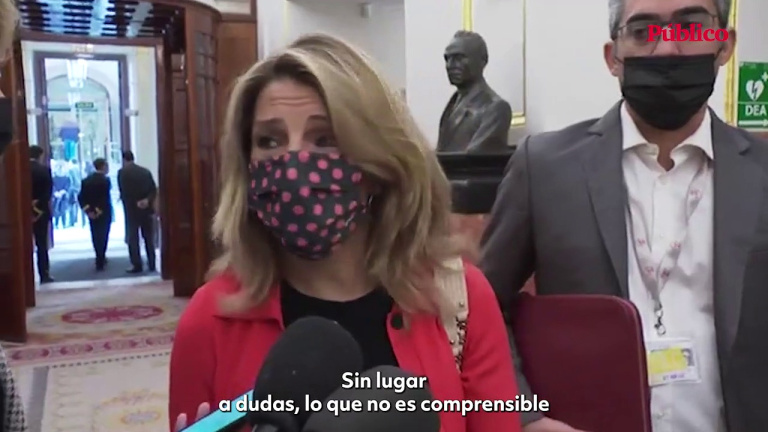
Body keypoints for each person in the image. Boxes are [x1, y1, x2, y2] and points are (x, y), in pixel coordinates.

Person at [170, 33, 522, 432]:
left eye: (325, 139)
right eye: (270, 140)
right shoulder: (209, 320)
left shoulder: (460, 300)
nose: (294, 162)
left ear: (378, 164)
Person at [480, 0, 768, 431]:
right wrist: (525, 416)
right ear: (613, 57)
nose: (667, 47)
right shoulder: (544, 169)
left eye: (691, 27)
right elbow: (481, 307)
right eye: (643, 31)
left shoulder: (762, 172)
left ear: (723, 45)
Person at [437, 31, 512, 154]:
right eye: (447, 59)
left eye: (459, 58)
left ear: (483, 60)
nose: (450, 65)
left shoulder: (495, 108)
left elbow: (474, 157)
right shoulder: (452, 104)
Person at [117, 150, 157, 273]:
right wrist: (146, 200)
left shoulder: (122, 173)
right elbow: (153, 189)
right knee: (148, 237)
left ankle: (137, 264)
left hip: (131, 210)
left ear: (124, 159)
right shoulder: (145, 172)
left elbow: (124, 192)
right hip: (146, 209)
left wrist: (133, 202)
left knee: (133, 238)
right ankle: (151, 263)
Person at [78, 158, 113, 271]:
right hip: (104, 212)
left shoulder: (86, 180)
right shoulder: (105, 180)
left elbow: (81, 197)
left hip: (91, 213)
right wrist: (98, 210)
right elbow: (104, 198)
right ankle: (101, 257)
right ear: (103, 166)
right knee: (104, 235)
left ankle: (98, 256)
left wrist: (89, 211)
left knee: (95, 234)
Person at [29, 145, 53, 284]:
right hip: (41, 212)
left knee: (23, 245)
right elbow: (48, 192)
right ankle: (44, 274)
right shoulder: (44, 170)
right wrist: (37, 203)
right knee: (42, 245)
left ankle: (26, 275)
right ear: (40, 155)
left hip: (22, 212)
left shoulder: (20, 170)